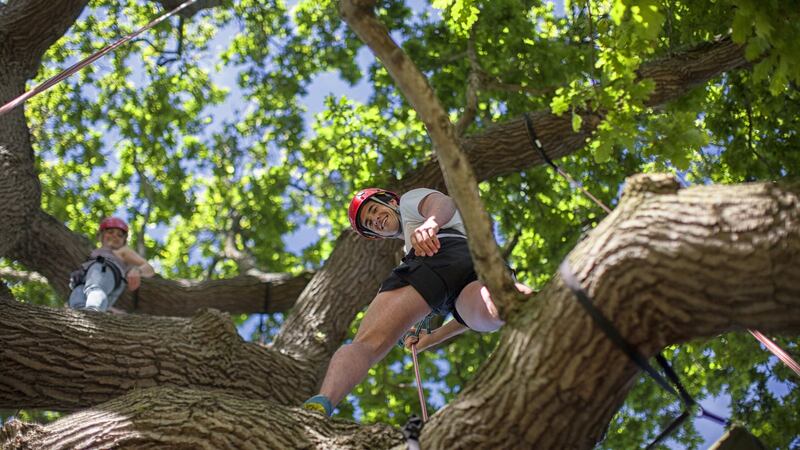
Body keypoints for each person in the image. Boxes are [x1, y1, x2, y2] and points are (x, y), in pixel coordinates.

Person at [303, 188, 532, 416]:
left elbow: (442, 202)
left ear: (391, 201)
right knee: (499, 309)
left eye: (374, 210)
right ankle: (537, 303)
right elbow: (465, 320)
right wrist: (432, 338)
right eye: (371, 224)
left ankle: (321, 406)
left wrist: (431, 223)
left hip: (439, 254)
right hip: (477, 273)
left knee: (366, 345)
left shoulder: (409, 203)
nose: (376, 220)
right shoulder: (411, 239)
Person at [68, 217, 155, 312]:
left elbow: (149, 268)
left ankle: (93, 311)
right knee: (78, 294)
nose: (115, 236)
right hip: (87, 279)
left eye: (120, 235)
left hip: (105, 270)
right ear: (101, 235)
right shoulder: (95, 252)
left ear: (124, 241)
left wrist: (137, 270)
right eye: (110, 232)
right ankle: (79, 314)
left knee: (95, 288)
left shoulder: (122, 251)